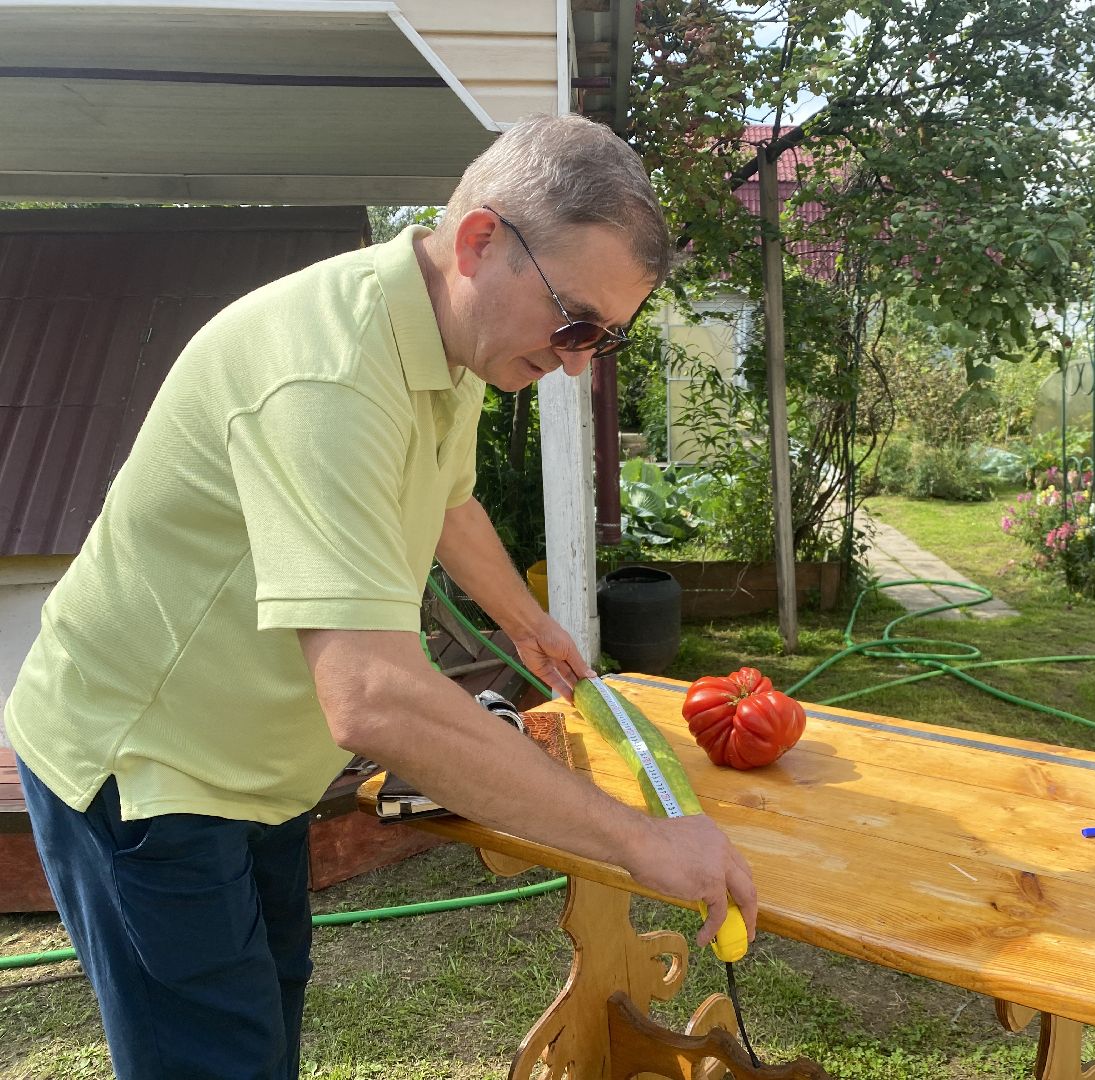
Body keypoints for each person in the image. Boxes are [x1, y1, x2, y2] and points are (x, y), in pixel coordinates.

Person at [4, 113, 758, 1080]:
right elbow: (371, 693)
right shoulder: (327, 371)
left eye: (603, 339)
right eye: (575, 322)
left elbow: (444, 500)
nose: (577, 359)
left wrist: (525, 621)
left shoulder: (452, 342)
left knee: (261, 1024)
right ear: (482, 240)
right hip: (145, 768)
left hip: (254, 768)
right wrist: (643, 843)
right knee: (214, 1058)